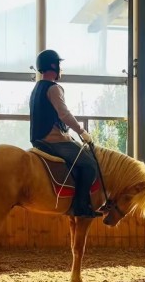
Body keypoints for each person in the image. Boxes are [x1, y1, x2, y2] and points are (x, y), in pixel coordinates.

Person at [29, 49, 102, 218]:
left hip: (38, 140)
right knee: (90, 164)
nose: (61, 69)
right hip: (54, 140)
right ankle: (80, 206)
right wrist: (82, 132)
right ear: (53, 65)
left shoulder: (36, 89)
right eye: (59, 65)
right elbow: (64, 114)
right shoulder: (54, 88)